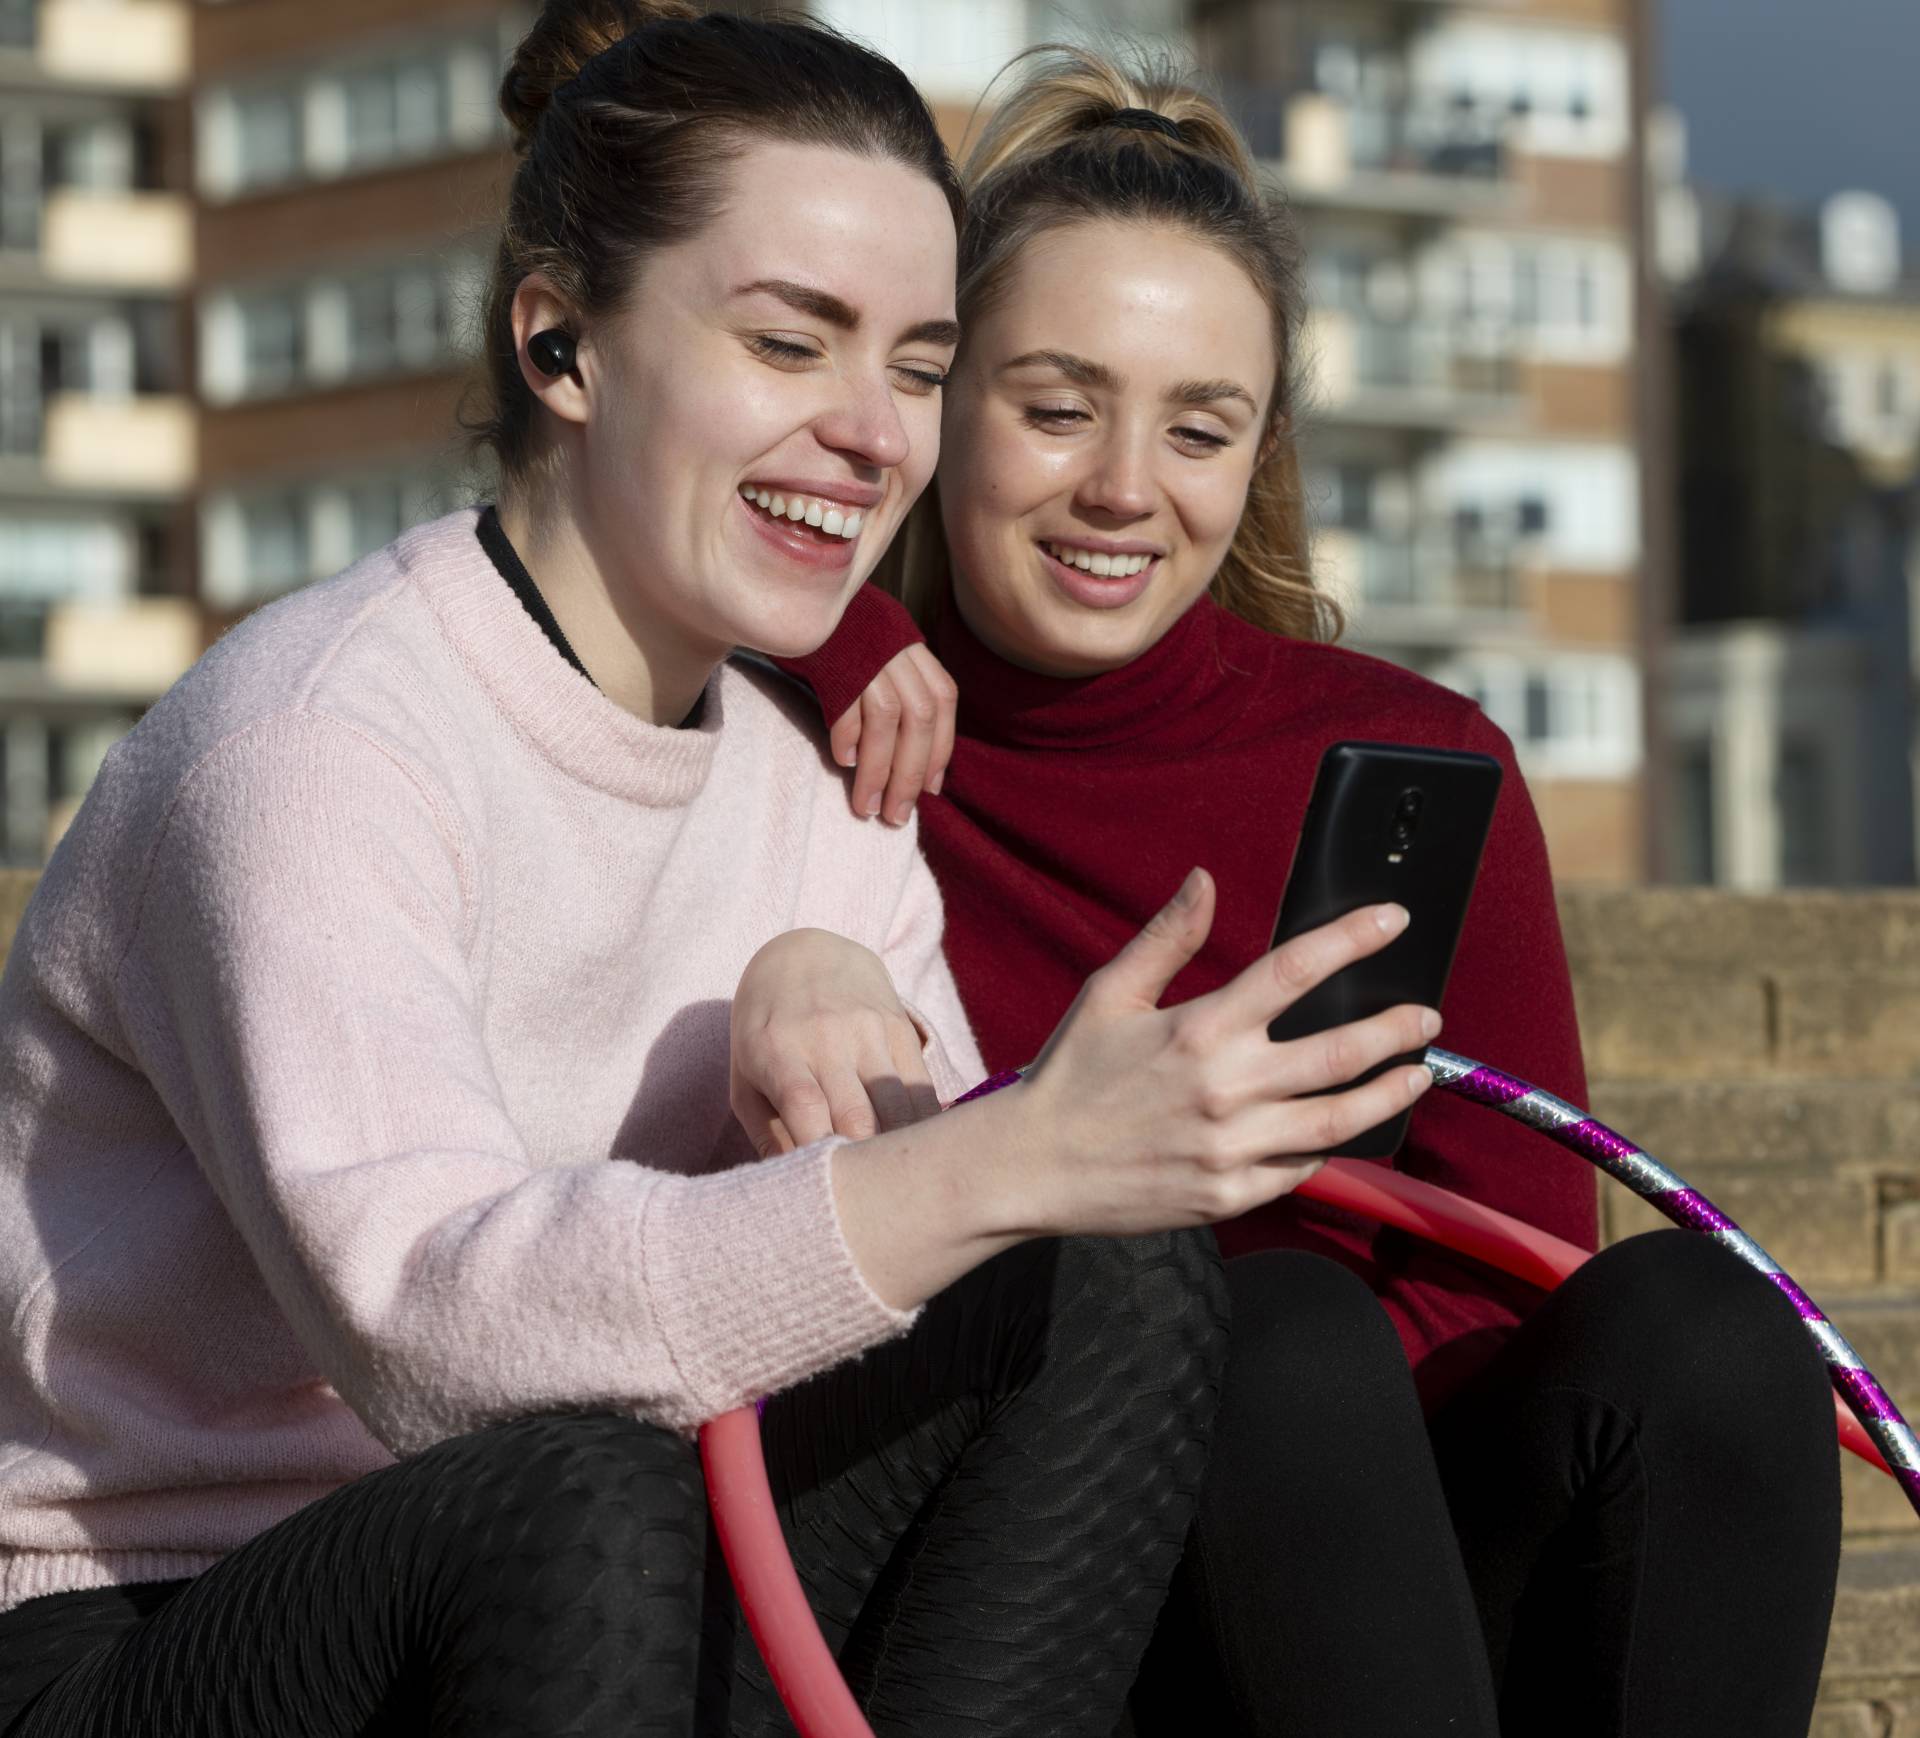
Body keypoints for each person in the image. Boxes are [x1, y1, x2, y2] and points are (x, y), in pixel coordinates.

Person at [0, 7, 1451, 1736]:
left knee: (1096, 1281)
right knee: (594, 1491)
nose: (871, 433)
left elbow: (925, 1271)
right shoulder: (315, 740)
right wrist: (1009, 1147)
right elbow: (423, 1330)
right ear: (563, 344)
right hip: (171, 1624)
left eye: (917, 367)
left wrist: (914, 1086)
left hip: (605, 1579)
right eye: (791, 343)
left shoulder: (835, 783)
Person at [770, 45, 1845, 1738]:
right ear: (934, 400)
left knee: (1701, 1323)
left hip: (1363, 1565)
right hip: (1018, 1581)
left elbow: (1513, 1264)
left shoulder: (1412, 757)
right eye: (1056, 408)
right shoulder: (816, 734)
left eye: (1200, 428)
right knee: (1259, 1329)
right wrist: (834, 616)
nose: (1126, 486)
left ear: (1259, 452)